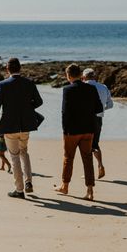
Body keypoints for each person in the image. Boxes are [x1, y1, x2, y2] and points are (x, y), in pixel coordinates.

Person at [0, 57, 44, 199]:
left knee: (14, 156)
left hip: (9, 125)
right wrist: (26, 108)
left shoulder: (3, 84)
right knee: (24, 152)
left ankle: (19, 189)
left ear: (7, 69)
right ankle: (28, 181)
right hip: (26, 125)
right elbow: (39, 101)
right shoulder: (29, 83)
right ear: (20, 68)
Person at [55, 64, 103, 200]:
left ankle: (65, 186)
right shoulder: (91, 88)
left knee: (68, 157)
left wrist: (65, 130)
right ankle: (90, 191)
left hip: (72, 130)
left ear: (68, 76)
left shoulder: (67, 90)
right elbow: (99, 108)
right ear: (80, 75)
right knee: (87, 159)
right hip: (88, 129)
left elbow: (65, 112)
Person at [82, 68, 114, 179]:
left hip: (86, 119)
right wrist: (101, 110)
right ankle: (100, 165)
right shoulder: (103, 87)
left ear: (84, 77)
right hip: (98, 118)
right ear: (94, 77)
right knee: (95, 144)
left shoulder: (83, 87)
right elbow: (110, 105)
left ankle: (89, 172)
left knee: (86, 145)